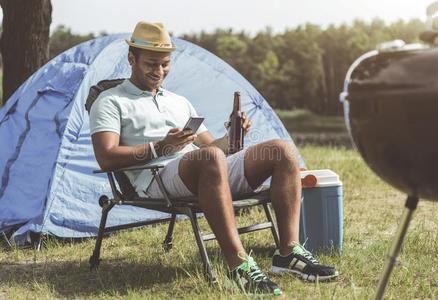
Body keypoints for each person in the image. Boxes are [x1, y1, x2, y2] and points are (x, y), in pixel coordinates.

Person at [89, 21, 338, 295]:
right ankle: (239, 265)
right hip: (155, 177)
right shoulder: (111, 101)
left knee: (281, 150)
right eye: (151, 64)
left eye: (165, 64)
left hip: (204, 169)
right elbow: (106, 157)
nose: (159, 71)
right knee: (208, 159)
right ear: (131, 59)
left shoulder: (178, 101)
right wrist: (160, 147)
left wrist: (231, 135)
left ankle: (288, 253)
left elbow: (215, 149)